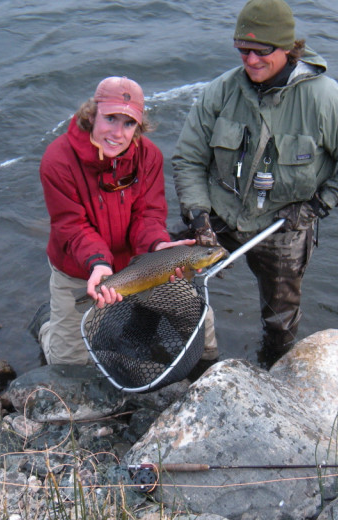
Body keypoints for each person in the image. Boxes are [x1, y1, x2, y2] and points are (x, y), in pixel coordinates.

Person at [172, 0, 338, 366]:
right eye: (242, 50)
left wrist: (317, 206)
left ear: (288, 48)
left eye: (261, 51)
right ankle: (200, 362)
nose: (250, 61)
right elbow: (189, 159)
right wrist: (198, 217)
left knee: (280, 317)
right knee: (172, 278)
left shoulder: (328, 101)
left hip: (284, 224)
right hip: (219, 216)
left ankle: (274, 367)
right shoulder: (220, 92)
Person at [38, 76, 197, 365]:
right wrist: (99, 263)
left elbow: (149, 214)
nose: (118, 133)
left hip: (139, 265)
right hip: (79, 268)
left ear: (139, 126)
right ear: (91, 114)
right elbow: (71, 226)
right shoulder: (57, 160)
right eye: (110, 118)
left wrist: (159, 244)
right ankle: (47, 329)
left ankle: (207, 364)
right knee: (68, 363)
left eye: (129, 123)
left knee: (196, 313)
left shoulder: (149, 156)